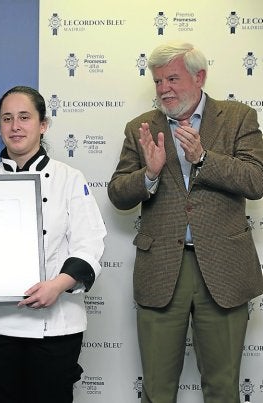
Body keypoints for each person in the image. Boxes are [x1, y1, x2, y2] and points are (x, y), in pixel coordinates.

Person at [108, 41, 263, 403]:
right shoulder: (140, 128)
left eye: (172, 79)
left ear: (200, 77)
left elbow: (256, 181)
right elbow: (118, 193)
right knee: (157, 391)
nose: (164, 89)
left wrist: (204, 158)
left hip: (224, 269)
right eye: (158, 81)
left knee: (223, 389)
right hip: (161, 269)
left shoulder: (238, 117)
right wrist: (149, 174)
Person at [0, 86, 107, 403]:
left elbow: (89, 245)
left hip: (55, 327)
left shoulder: (69, 179)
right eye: (7, 118)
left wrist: (56, 285)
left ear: (43, 125)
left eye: (24, 117)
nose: (15, 126)